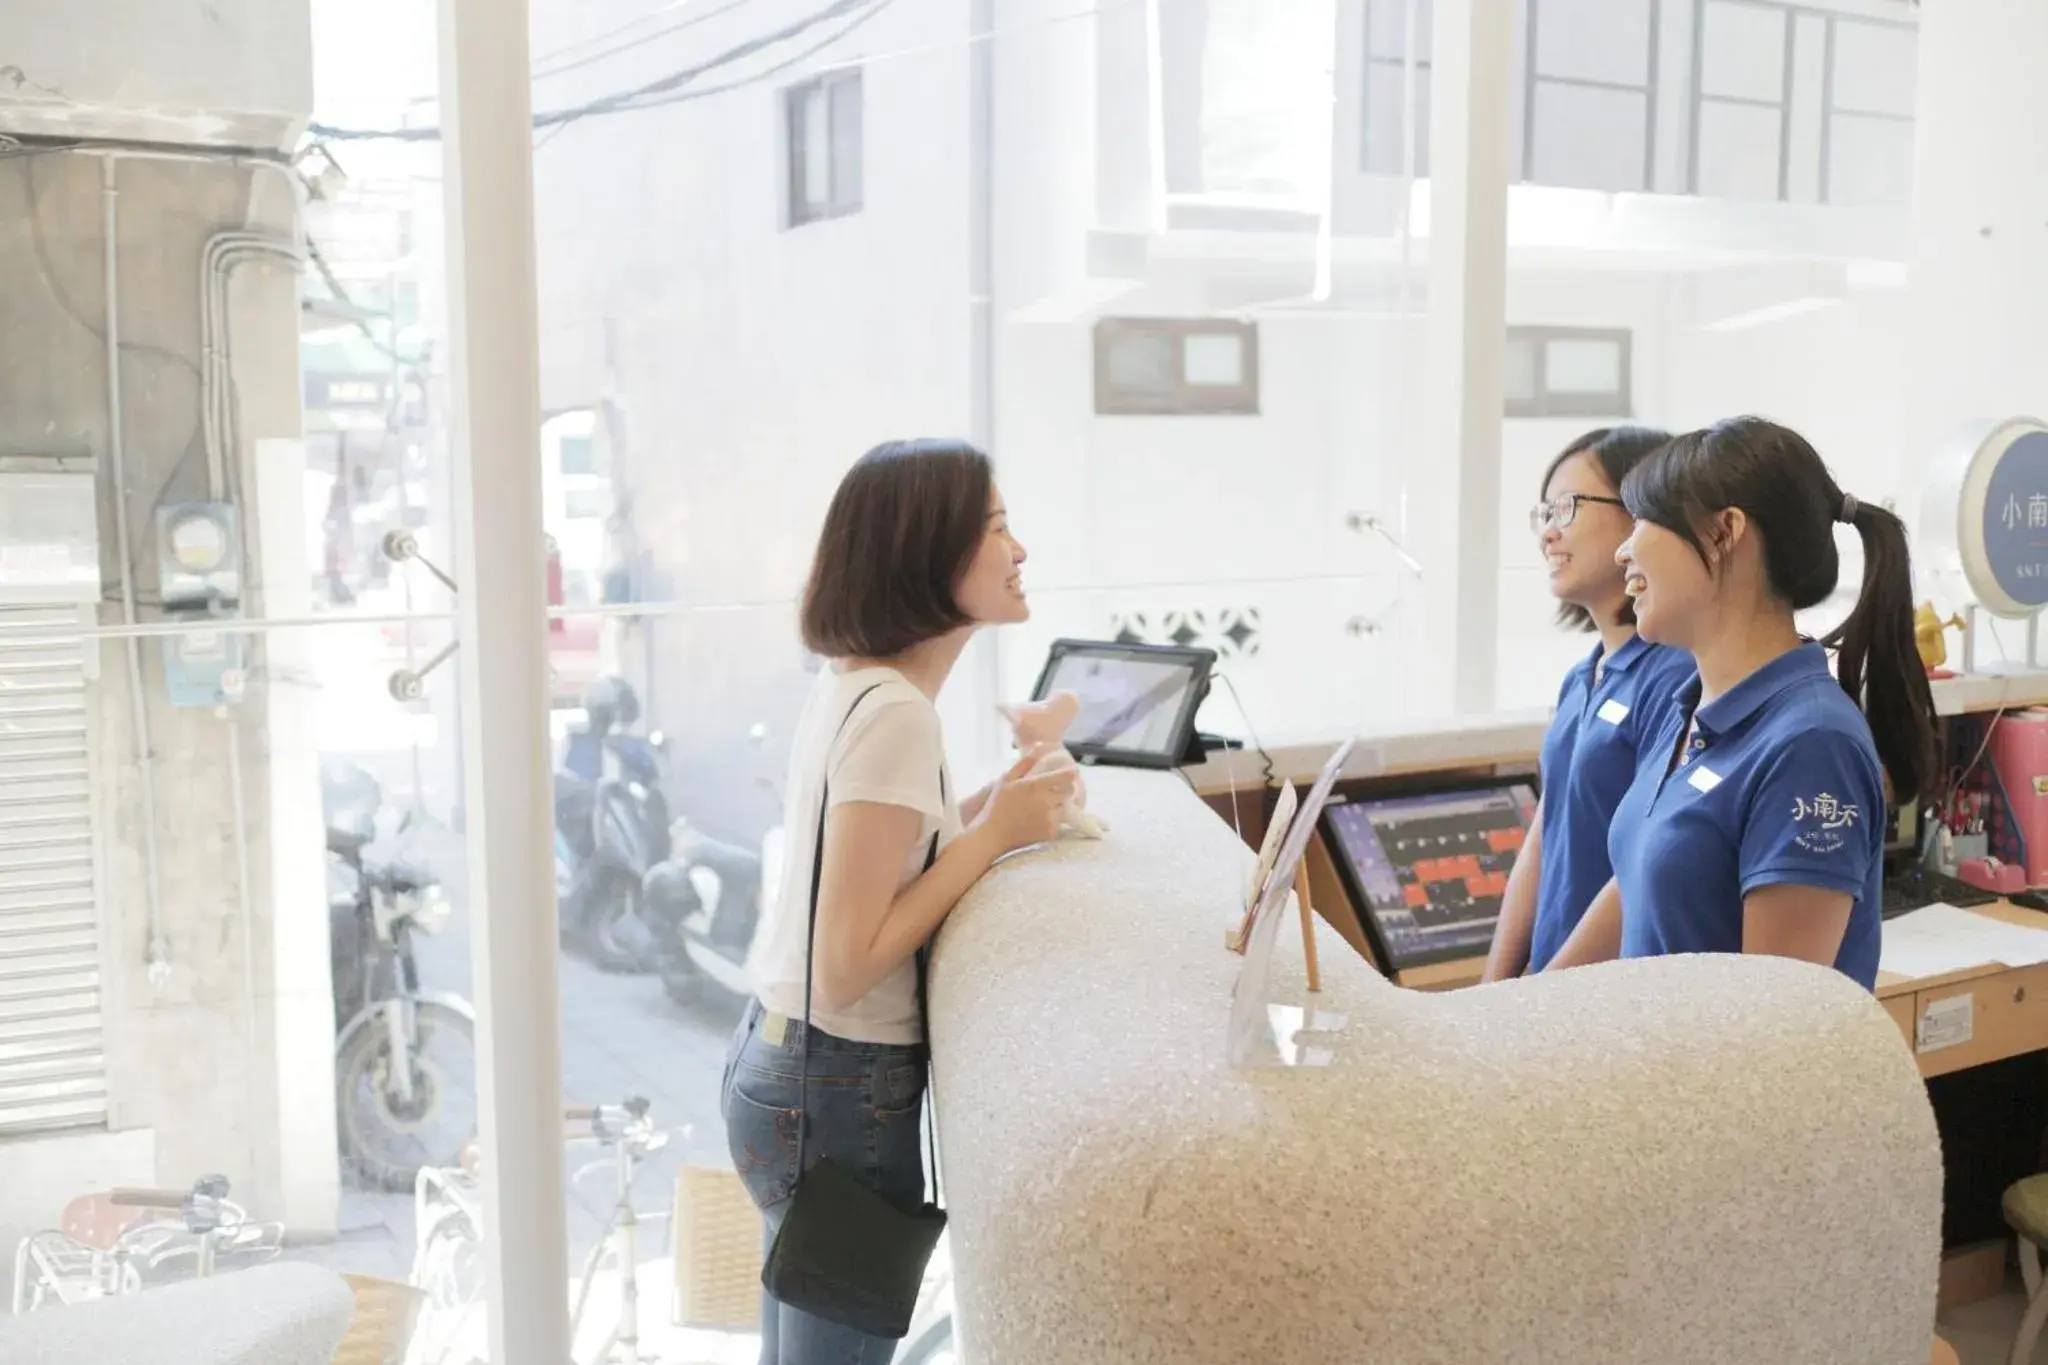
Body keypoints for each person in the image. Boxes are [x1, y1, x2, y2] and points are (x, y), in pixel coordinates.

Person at [722, 438, 1077, 1364]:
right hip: (836, 1093)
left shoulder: (861, 689)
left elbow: (879, 857)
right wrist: (996, 834)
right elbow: (849, 958)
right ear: (933, 554)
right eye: (998, 528)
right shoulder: (895, 714)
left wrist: (991, 809)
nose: (1020, 550)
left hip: (789, 1069)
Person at [1544, 417, 1938, 991]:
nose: (1627, 551)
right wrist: (1522, 1012)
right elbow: (1633, 886)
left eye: (1647, 522)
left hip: (1724, 1082)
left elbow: (1773, 1026)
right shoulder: (1688, 709)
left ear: (1723, 532)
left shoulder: (1812, 743)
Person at [1481, 427, 1691, 982]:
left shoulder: (1677, 675)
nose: (1548, 533)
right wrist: (1493, 990)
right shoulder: (1584, 677)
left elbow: (1641, 874)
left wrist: (1539, 998)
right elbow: (1546, 833)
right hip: (1554, 993)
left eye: (1567, 508)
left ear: (1643, 512)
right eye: (1543, 514)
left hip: (1610, 995)